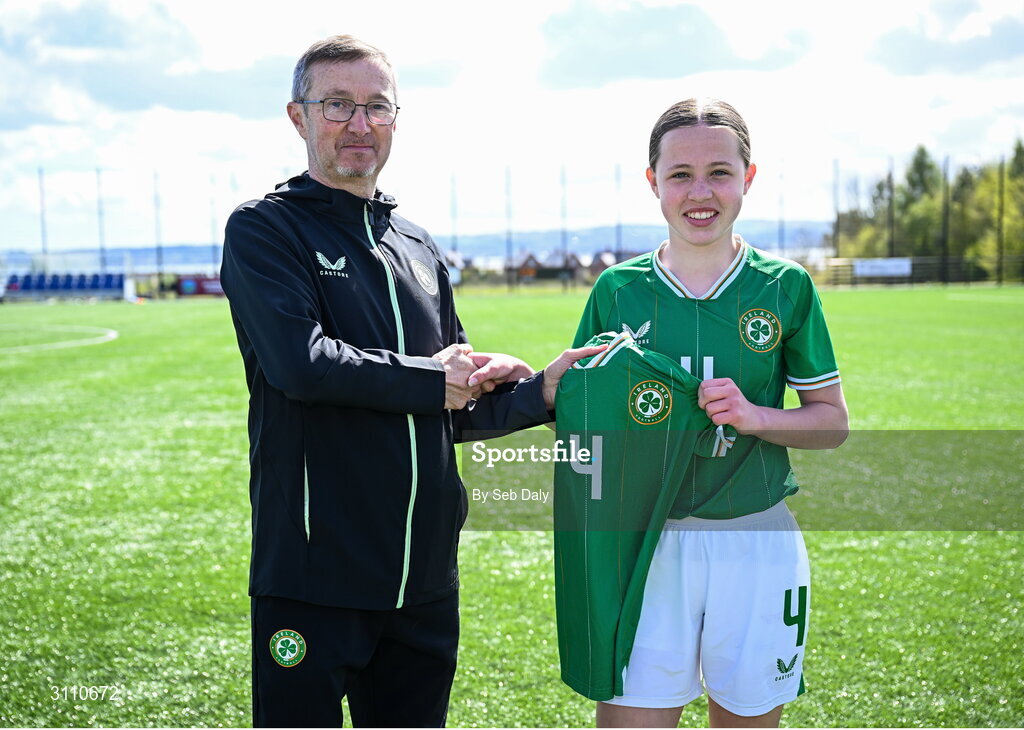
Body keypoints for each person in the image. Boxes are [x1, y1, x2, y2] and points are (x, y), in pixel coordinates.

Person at [220, 35, 601, 728]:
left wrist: (538, 392)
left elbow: (449, 407)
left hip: (424, 584)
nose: (359, 124)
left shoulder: (418, 247)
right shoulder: (264, 229)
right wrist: (437, 379)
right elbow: (300, 364)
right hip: (313, 577)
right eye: (337, 104)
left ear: (396, 118)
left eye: (376, 106)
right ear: (297, 116)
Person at [566, 98, 849, 728]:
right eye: (680, 174)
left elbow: (832, 421)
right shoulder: (619, 290)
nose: (701, 192)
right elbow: (581, 419)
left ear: (748, 177)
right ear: (653, 184)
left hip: (755, 541)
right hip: (645, 543)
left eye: (720, 172)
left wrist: (756, 417)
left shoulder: (785, 287)